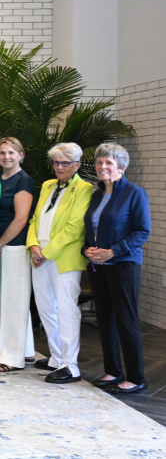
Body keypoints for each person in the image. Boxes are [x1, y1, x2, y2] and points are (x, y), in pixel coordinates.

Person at [84, 143, 150, 394]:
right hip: (98, 266)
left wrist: (113, 251)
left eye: (109, 163)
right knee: (105, 319)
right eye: (100, 162)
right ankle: (113, 371)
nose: (103, 167)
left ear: (121, 167)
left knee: (126, 319)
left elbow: (142, 231)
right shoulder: (96, 195)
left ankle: (137, 377)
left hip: (124, 263)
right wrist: (87, 250)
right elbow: (90, 230)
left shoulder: (135, 193)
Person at [27, 142, 93, 384]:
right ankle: (56, 357)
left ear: (76, 165)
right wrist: (33, 246)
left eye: (65, 163)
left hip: (63, 258)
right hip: (39, 257)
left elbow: (74, 228)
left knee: (66, 310)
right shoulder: (47, 185)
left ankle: (70, 365)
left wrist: (46, 251)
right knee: (45, 306)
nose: (60, 167)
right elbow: (34, 219)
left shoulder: (84, 189)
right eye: (56, 162)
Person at [0, 138, 36, 373]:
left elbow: (21, 218)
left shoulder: (23, 180)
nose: (6, 156)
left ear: (21, 154)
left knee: (11, 304)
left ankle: (11, 358)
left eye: (11, 152)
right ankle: (26, 351)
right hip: (0, 246)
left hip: (14, 246)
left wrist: (1, 243)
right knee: (10, 301)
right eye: (2, 152)